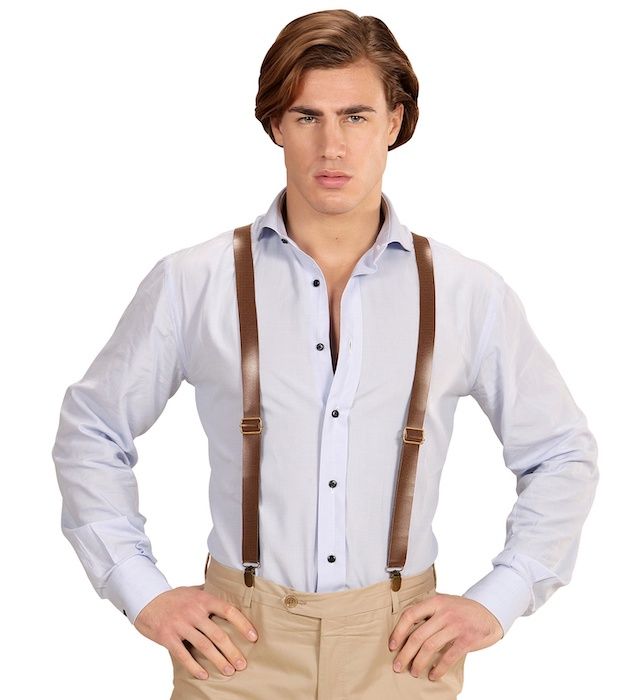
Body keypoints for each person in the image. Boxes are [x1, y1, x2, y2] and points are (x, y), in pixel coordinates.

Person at [51, 9, 599, 699]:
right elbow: (92, 429)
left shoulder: (468, 292)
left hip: (403, 654)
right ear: (276, 126)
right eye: (307, 116)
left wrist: (501, 596)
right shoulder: (194, 281)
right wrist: (142, 590)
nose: (331, 146)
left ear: (395, 122)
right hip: (234, 651)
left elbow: (561, 453)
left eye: (356, 116)